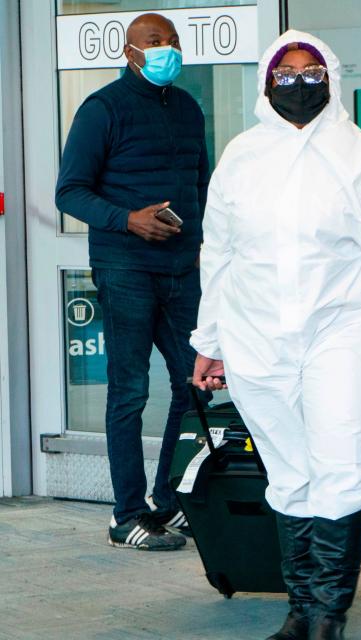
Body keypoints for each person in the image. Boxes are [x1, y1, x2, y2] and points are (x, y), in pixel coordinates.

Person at [190, 31, 361, 640]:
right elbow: (218, 255)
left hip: (342, 332)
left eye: (311, 72)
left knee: (344, 459)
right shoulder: (240, 158)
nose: (298, 82)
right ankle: (300, 610)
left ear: (330, 78)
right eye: (286, 72)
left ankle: (329, 613)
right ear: (266, 83)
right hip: (255, 339)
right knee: (289, 471)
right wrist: (209, 340)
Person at [55, 12, 208, 551]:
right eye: (153, 42)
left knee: (196, 383)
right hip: (124, 269)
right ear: (129, 51)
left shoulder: (189, 108)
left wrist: (200, 241)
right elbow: (69, 192)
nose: (165, 49)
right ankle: (126, 515)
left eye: (171, 40)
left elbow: (200, 184)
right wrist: (129, 219)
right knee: (130, 391)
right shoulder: (102, 109)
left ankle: (170, 501)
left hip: (183, 269)